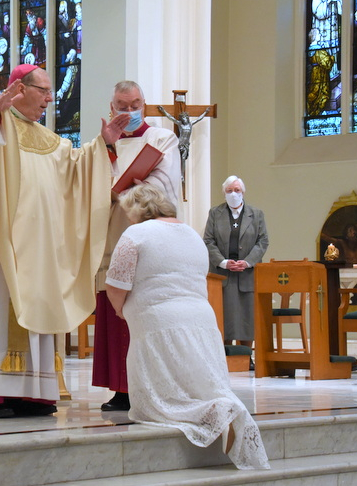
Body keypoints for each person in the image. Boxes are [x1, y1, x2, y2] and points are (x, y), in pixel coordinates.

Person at [0, 63, 129, 418]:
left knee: (36, 312)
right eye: (43, 90)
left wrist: (102, 145)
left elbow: (76, 170)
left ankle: (30, 394)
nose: (49, 98)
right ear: (18, 89)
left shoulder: (50, 140)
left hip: (40, 249)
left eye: (49, 91)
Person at [104, 183, 269, 470]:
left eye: (128, 211)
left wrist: (120, 309)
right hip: (201, 319)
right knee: (198, 380)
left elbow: (117, 284)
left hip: (157, 319)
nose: (127, 217)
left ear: (139, 208)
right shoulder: (192, 234)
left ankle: (210, 413)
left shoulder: (136, 234)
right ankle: (219, 408)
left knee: (167, 396)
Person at [92, 80, 182, 412]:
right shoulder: (100, 144)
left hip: (146, 237)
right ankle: (120, 387)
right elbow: (86, 180)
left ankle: (149, 385)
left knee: (143, 311)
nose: (129, 111)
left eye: (135, 104)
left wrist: (123, 191)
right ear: (110, 106)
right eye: (121, 105)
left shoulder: (162, 139)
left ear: (144, 103)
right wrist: (107, 149)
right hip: (111, 238)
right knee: (116, 314)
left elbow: (163, 184)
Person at [203, 176, 269, 351]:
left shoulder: (256, 214)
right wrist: (223, 262)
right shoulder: (215, 214)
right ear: (224, 193)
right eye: (229, 191)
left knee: (247, 316)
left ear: (243, 192)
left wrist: (247, 262)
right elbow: (208, 241)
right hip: (222, 274)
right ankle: (224, 353)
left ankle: (246, 354)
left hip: (246, 273)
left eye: (237, 190)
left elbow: (262, 241)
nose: (233, 194)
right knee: (224, 315)